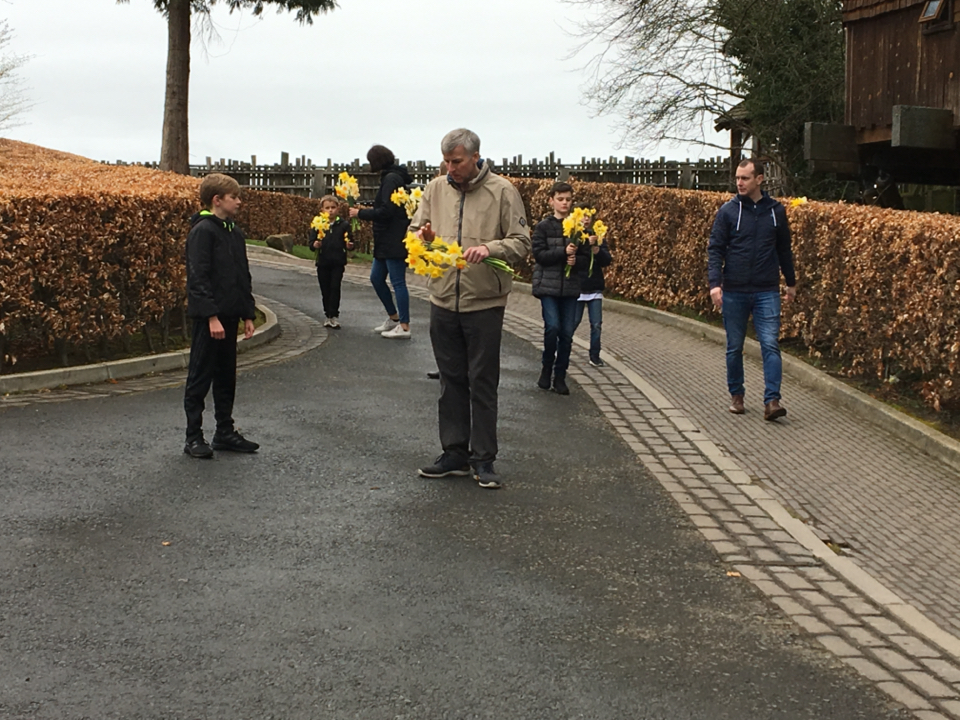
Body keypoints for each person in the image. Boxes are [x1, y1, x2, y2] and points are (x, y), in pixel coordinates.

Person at [410, 128, 531, 489]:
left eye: (457, 161)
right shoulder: (435, 189)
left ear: (476, 157)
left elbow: (522, 241)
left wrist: (490, 249)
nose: (450, 168)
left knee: (482, 381)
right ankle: (454, 454)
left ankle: (484, 459)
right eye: (446, 161)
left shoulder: (502, 191)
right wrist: (423, 237)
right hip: (443, 298)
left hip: (484, 303)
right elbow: (416, 229)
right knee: (451, 381)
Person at [707, 158, 797, 421]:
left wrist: (790, 283)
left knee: (770, 344)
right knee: (734, 346)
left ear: (759, 179)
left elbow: (784, 250)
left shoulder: (775, 211)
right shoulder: (727, 212)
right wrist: (715, 284)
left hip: (766, 290)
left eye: (745, 178)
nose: (739, 183)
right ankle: (737, 395)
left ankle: (772, 401)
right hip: (734, 290)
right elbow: (715, 250)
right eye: (737, 177)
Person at [183, 173, 259, 458]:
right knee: (200, 375)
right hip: (210, 320)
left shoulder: (234, 232)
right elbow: (198, 277)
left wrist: (247, 314)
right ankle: (193, 436)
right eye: (234, 197)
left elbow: (242, 276)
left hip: (229, 316)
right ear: (217, 200)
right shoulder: (203, 231)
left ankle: (224, 432)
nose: (239, 202)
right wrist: (211, 316)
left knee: (226, 376)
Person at [531, 182, 592, 395]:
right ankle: (546, 368)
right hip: (548, 286)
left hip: (570, 288)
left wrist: (577, 261)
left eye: (568, 199)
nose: (564, 203)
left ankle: (560, 375)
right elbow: (539, 255)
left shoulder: (579, 228)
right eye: (560, 199)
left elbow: (587, 259)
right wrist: (562, 252)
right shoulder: (544, 227)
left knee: (567, 333)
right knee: (553, 327)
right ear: (551, 201)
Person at [349, 145, 414, 339]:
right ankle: (394, 318)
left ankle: (404, 326)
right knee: (376, 278)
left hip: (393, 238)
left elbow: (387, 211)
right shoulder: (393, 177)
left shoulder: (391, 179)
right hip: (385, 239)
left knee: (397, 282)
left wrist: (360, 213)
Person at [573, 222, 612, 369]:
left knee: (596, 324)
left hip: (594, 288)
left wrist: (597, 251)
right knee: (573, 322)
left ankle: (595, 355)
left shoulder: (598, 237)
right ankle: (562, 348)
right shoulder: (574, 235)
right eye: (582, 216)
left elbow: (607, 260)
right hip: (578, 287)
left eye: (588, 216)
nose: (585, 219)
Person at [311, 194, 353, 328]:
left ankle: (334, 314)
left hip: (337, 261)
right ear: (322, 210)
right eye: (327, 208)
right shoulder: (318, 224)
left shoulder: (343, 225)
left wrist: (349, 245)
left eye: (333, 207)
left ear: (338, 209)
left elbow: (350, 240)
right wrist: (315, 245)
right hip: (323, 262)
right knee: (325, 289)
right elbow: (311, 242)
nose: (330, 210)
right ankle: (327, 314)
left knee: (335, 287)